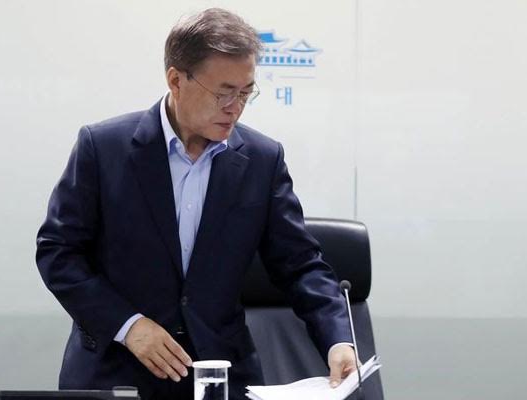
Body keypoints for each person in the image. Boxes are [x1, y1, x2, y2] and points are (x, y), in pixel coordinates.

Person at [36, 8, 358, 400]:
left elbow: (300, 264)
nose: (235, 107)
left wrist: (338, 340)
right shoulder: (104, 149)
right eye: (224, 92)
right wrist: (129, 325)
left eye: (246, 93)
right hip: (117, 370)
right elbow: (58, 253)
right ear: (176, 80)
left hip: (220, 375)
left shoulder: (262, 160)